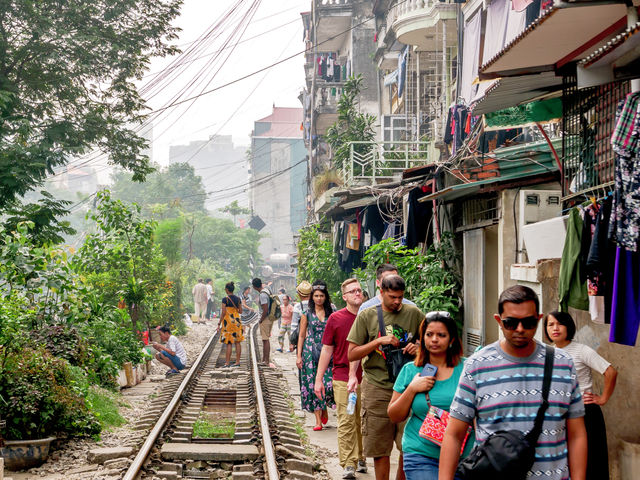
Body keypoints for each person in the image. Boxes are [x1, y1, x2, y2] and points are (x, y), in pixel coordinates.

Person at [440, 285, 588, 480]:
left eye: (528, 322)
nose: (520, 329)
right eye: (511, 323)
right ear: (498, 321)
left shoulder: (563, 364)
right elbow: (454, 434)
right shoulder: (477, 366)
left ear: (539, 319)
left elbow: (576, 433)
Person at [347, 274, 423, 480]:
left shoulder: (414, 313)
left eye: (400, 297)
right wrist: (377, 342)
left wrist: (418, 349)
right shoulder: (367, 315)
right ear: (382, 293)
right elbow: (352, 353)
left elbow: (432, 345)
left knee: (408, 444)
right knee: (379, 446)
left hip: (408, 387)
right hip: (377, 387)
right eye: (392, 297)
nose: (397, 302)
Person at [387, 312, 473, 480]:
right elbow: (394, 415)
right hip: (421, 453)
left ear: (452, 339)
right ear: (422, 337)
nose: (434, 339)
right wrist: (412, 389)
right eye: (429, 334)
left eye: (441, 335)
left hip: (464, 456)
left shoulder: (468, 369)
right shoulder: (410, 370)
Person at [545, 310, 617, 480]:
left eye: (560, 323)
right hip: (560, 415)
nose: (555, 328)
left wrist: (603, 398)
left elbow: (610, 372)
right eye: (550, 324)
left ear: (568, 326)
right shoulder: (548, 353)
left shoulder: (582, 350)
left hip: (586, 414)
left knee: (591, 463)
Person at [314, 278, 368, 479]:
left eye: (359, 290)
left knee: (362, 421)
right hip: (342, 377)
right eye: (352, 291)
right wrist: (319, 379)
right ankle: (349, 463)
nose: (357, 293)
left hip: (369, 377)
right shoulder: (335, 319)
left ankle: (361, 457)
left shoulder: (370, 315)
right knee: (346, 420)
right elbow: (327, 350)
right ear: (344, 296)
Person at [297, 279, 335, 431]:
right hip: (310, 352)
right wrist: (298, 356)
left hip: (328, 350)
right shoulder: (306, 314)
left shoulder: (332, 312)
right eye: (316, 296)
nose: (319, 299)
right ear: (312, 297)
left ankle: (324, 406)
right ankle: (318, 420)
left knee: (328, 383)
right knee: (313, 384)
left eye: (321, 296)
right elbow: (301, 335)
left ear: (325, 297)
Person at [218, 281, 244, 368]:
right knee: (237, 342)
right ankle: (237, 362)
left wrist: (219, 323)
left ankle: (227, 363)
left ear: (227, 289)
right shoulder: (238, 299)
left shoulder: (225, 299)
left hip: (228, 323)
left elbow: (223, 312)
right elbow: (240, 311)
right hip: (236, 322)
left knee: (229, 343)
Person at [252, 277, 274, 365]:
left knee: (265, 339)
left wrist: (261, 320)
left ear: (254, 287)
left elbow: (265, 309)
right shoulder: (267, 290)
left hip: (265, 318)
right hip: (268, 318)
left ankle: (266, 361)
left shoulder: (262, 294)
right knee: (265, 339)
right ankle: (264, 359)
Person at [291, 280, 312, 348]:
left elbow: (294, 325)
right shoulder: (316, 304)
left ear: (299, 294)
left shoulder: (298, 306)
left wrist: (292, 342)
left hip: (301, 339)